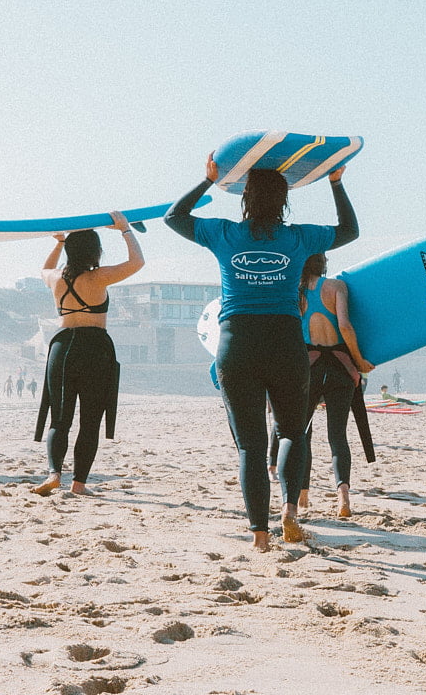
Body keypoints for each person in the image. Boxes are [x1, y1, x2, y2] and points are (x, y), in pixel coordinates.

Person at [166, 157, 358, 551]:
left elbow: (174, 217)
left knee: (251, 446)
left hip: (237, 343)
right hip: (286, 342)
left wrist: (207, 180)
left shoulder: (224, 234)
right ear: (285, 200)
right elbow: (349, 231)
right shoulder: (299, 238)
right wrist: (335, 182)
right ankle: (289, 510)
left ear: (245, 198)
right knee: (291, 431)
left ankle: (259, 536)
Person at [30, 212, 144, 496]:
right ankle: (79, 484)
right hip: (94, 348)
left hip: (62, 347)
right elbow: (137, 262)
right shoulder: (100, 277)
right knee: (90, 420)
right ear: (96, 252)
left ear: (70, 251)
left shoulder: (55, 278)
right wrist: (125, 230)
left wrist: (57, 244)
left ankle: (54, 473)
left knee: (60, 418)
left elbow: (44, 270)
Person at [296, 253, 373, 517]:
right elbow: (345, 326)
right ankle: (343, 500)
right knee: (337, 436)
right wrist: (359, 361)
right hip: (341, 368)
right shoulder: (337, 287)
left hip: (309, 369)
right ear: (323, 264)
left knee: (301, 433)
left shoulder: (296, 293)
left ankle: (302, 495)